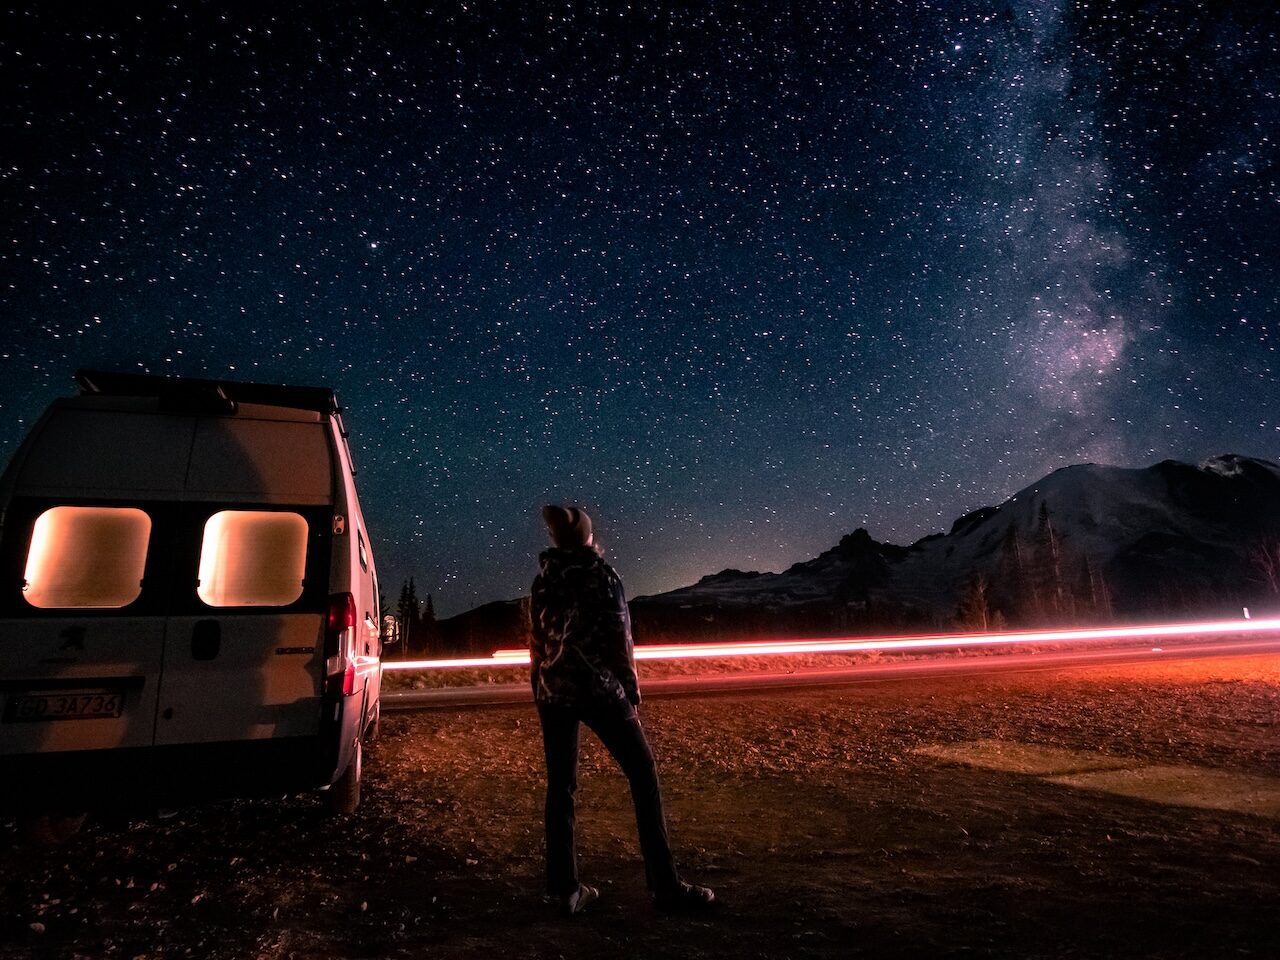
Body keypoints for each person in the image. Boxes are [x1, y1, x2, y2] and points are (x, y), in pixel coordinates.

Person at [530, 504, 717, 916]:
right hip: (599, 691)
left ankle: (563, 891)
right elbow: (620, 637)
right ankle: (665, 886)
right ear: (588, 539)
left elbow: (537, 641)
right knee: (643, 774)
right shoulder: (603, 577)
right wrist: (630, 690)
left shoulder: (544, 581)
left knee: (561, 787)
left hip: (553, 692)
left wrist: (538, 685)